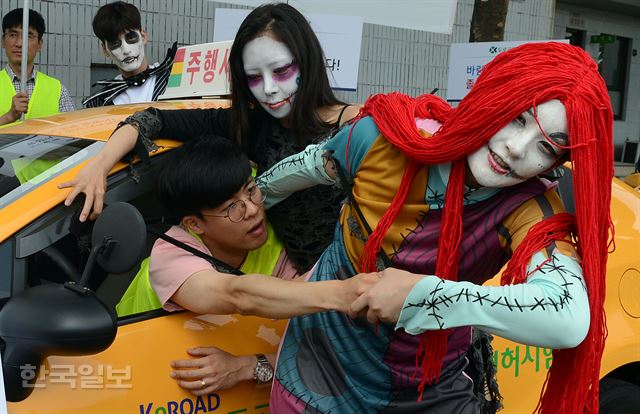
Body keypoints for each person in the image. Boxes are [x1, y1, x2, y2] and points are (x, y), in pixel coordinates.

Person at [258, 42, 612, 414]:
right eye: (517, 118)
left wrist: (424, 295)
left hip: (428, 388)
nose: (516, 149)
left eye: (547, 147)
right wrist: (245, 205)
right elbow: (311, 165)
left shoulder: (527, 207)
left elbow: (568, 318)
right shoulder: (384, 138)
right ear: (490, 95)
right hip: (319, 372)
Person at [60, 2, 360, 273]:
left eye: (280, 70)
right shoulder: (251, 124)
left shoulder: (358, 125)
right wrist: (100, 165)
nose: (268, 88)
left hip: (369, 286)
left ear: (306, 60)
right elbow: (151, 119)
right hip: (305, 293)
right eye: (254, 76)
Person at [117, 135, 372, 395]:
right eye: (231, 208)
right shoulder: (171, 253)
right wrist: (345, 293)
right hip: (131, 377)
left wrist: (249, 366)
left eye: (251, 191)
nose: (251, 210)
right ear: (195, 224)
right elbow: (236, 294)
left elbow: (321, 344)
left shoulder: (279, 240)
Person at [83, 1, 176, 107]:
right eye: (114, 43)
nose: (126, 50)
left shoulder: (173, 81)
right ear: (105, 50)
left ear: (143, 36)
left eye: (131, 37)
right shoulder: (100, 101)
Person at [0, 8, 74, 126]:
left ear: (40, 44)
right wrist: (8, 117)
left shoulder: (58, 91)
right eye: (13, 35)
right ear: (3, 41)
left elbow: (72, 132)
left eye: (28, 36)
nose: (19, 43)